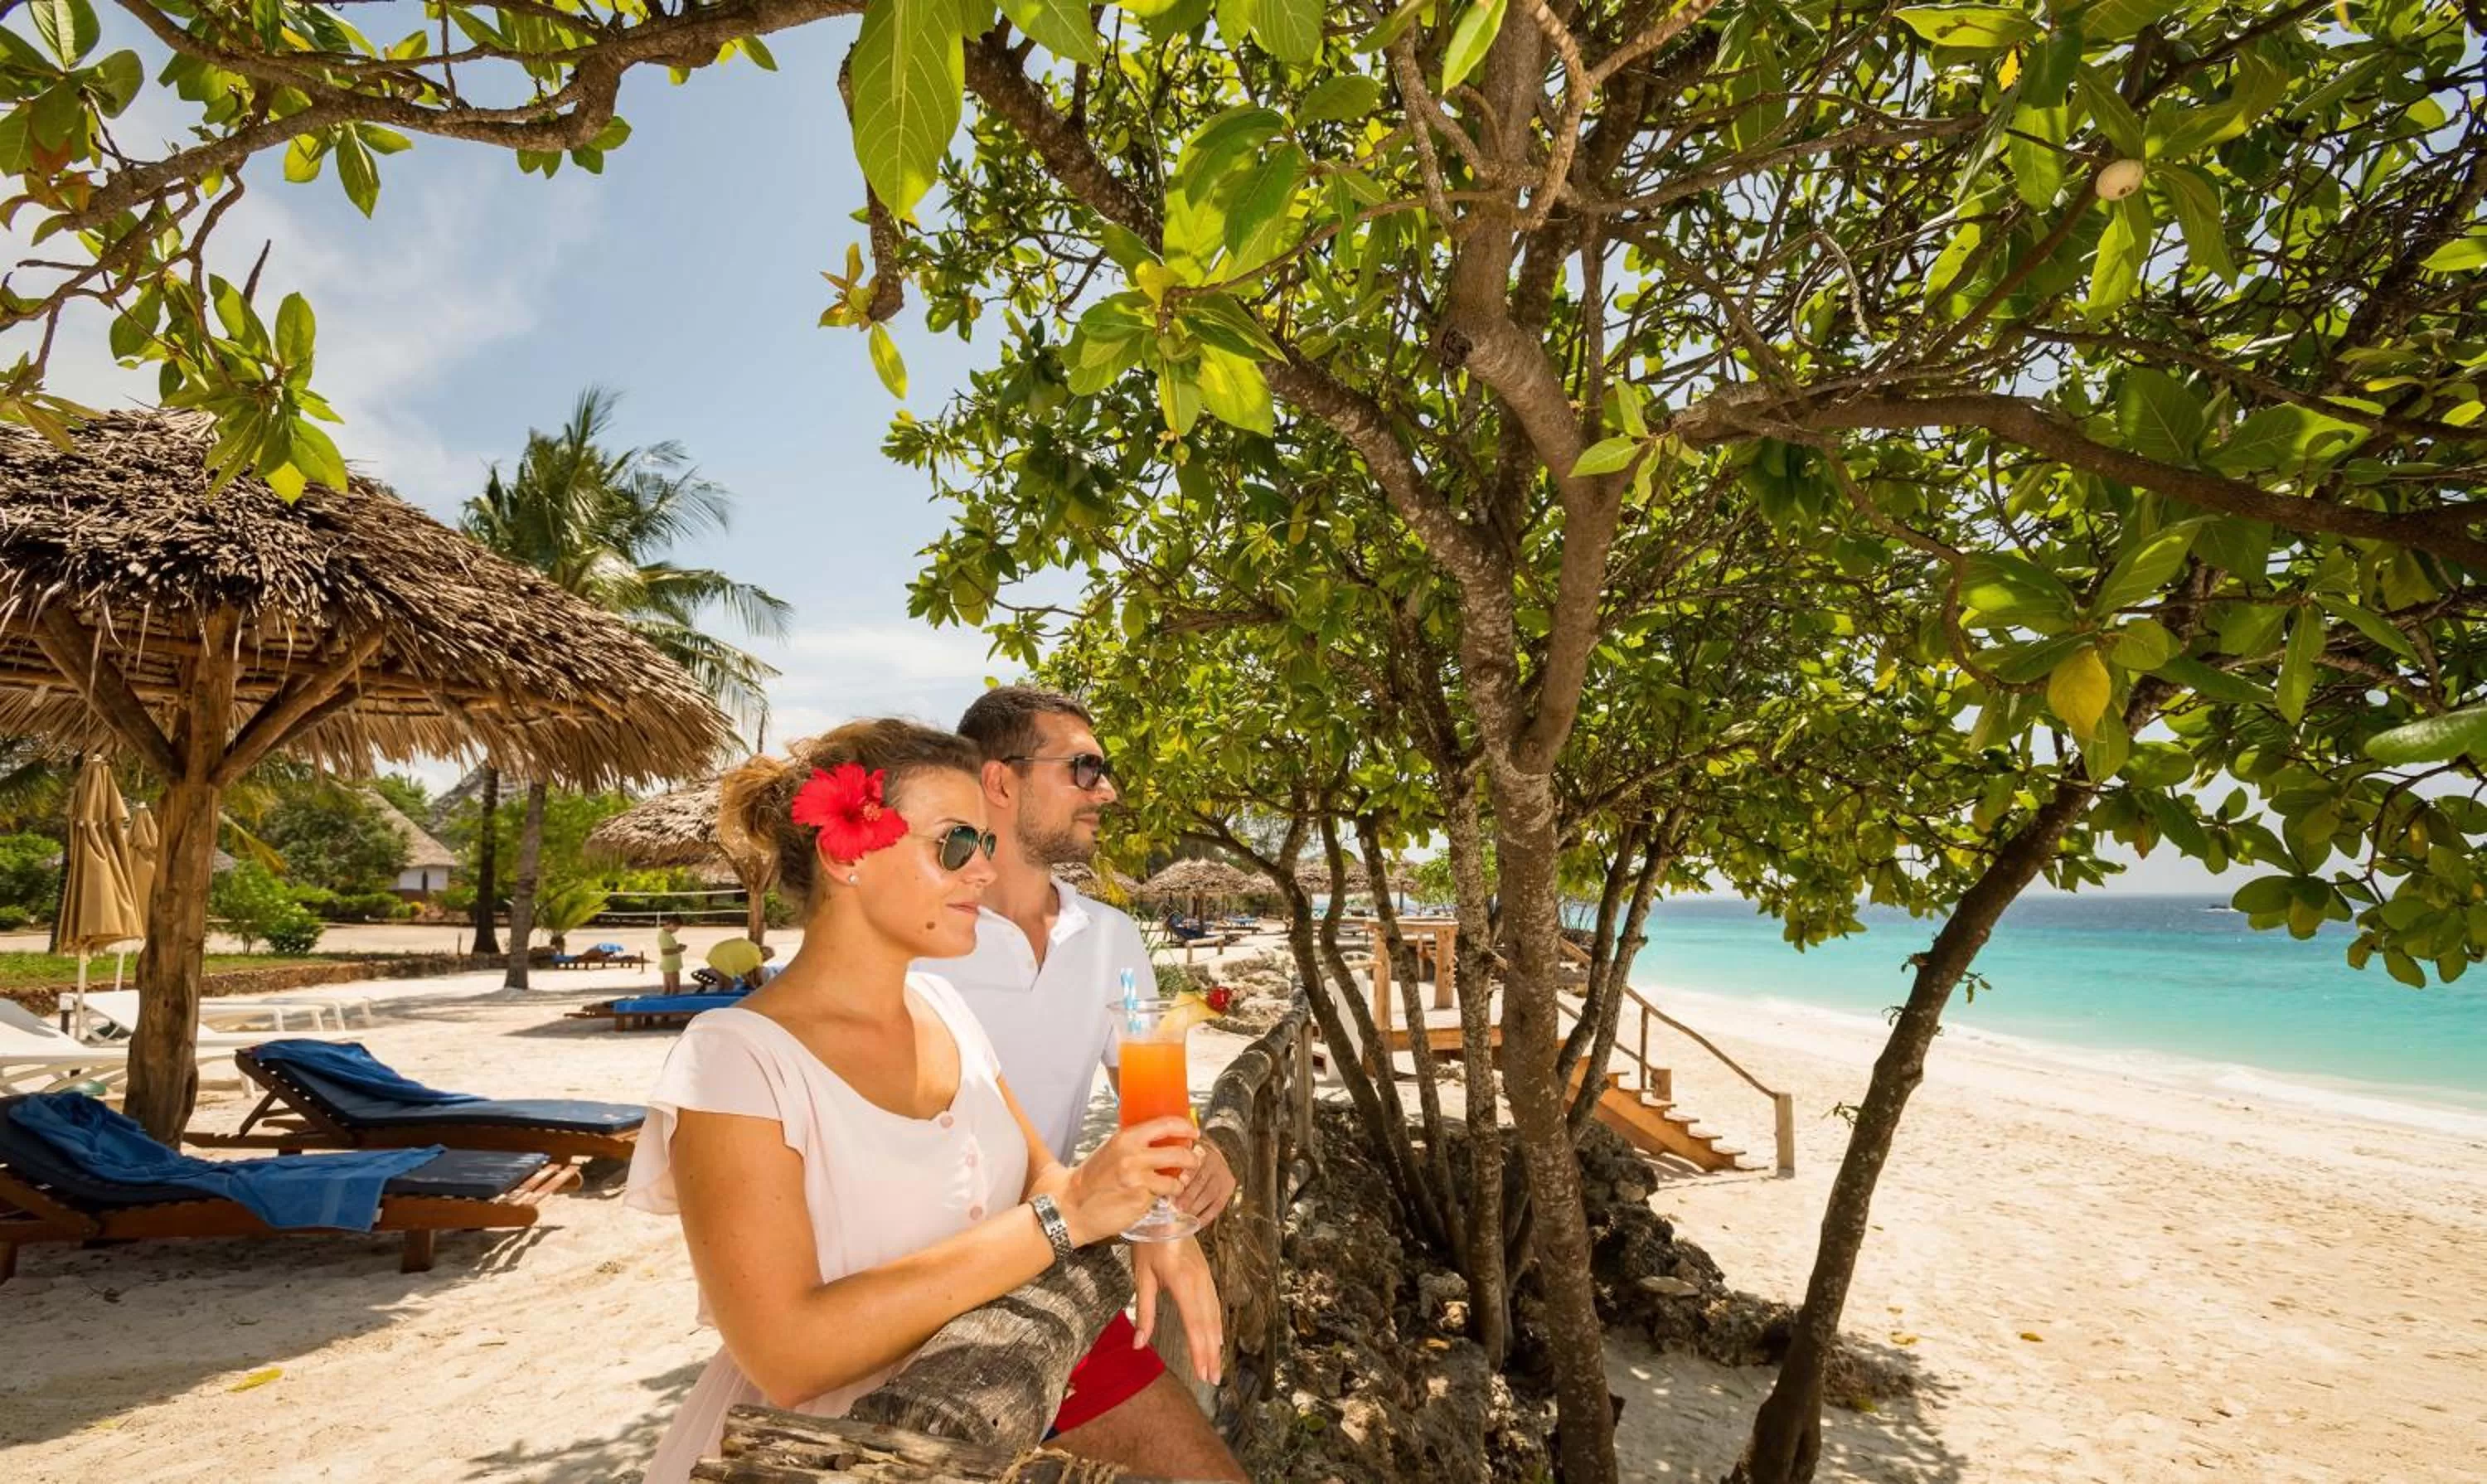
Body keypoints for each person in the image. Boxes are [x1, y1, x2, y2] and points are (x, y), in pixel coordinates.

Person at [625, 720, 1228, 1484]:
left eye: (986, 841)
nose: (984, 869)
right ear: (847, 852)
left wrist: (1148, 1215)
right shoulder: (737, 1062)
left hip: (1003, 1380)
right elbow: (786, 1353)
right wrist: (1068, 1216)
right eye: (954, 844)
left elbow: (1039, 1174)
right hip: (835, 1450)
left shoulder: (942, 1004)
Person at [924, 686, 1244, 1481]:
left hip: (1049, 1266)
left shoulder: (1112, 936)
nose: (1109, 791)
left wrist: (1190, 1173)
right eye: (1085, 768)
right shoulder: (917, 933)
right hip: (908, 1290)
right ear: (1000, 784)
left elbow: (1153, 1101)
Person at [657, 915, 685, 994]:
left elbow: (668, 948)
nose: (676, 931)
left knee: (668, 988)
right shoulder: (664, 935)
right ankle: (671, 1006)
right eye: (677, 928)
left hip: (670, 965)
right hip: (670, 965)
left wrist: (677, 947)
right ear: (671, 925)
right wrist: (679, 949)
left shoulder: (666, 934)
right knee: (675, 989)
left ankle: (663, 1005)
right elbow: (665, 952)